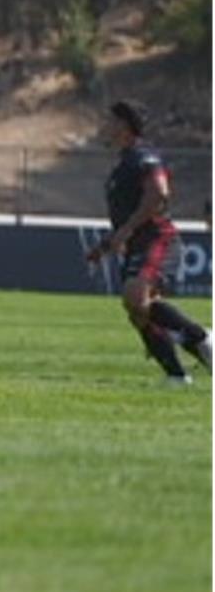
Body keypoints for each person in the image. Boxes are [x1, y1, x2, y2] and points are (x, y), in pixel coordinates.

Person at [84, 101, 211, 385]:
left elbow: (157, 196)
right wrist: (105, 246)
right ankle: (177, 377)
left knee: (135, 297)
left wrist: (126, 231)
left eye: (110, 121)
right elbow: (125, 216)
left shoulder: (144, 157)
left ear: (124, 127)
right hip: (137, 243)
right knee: (137, 312)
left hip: (158, 239)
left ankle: (203, 338)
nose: (104, 126)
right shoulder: (123, 165)